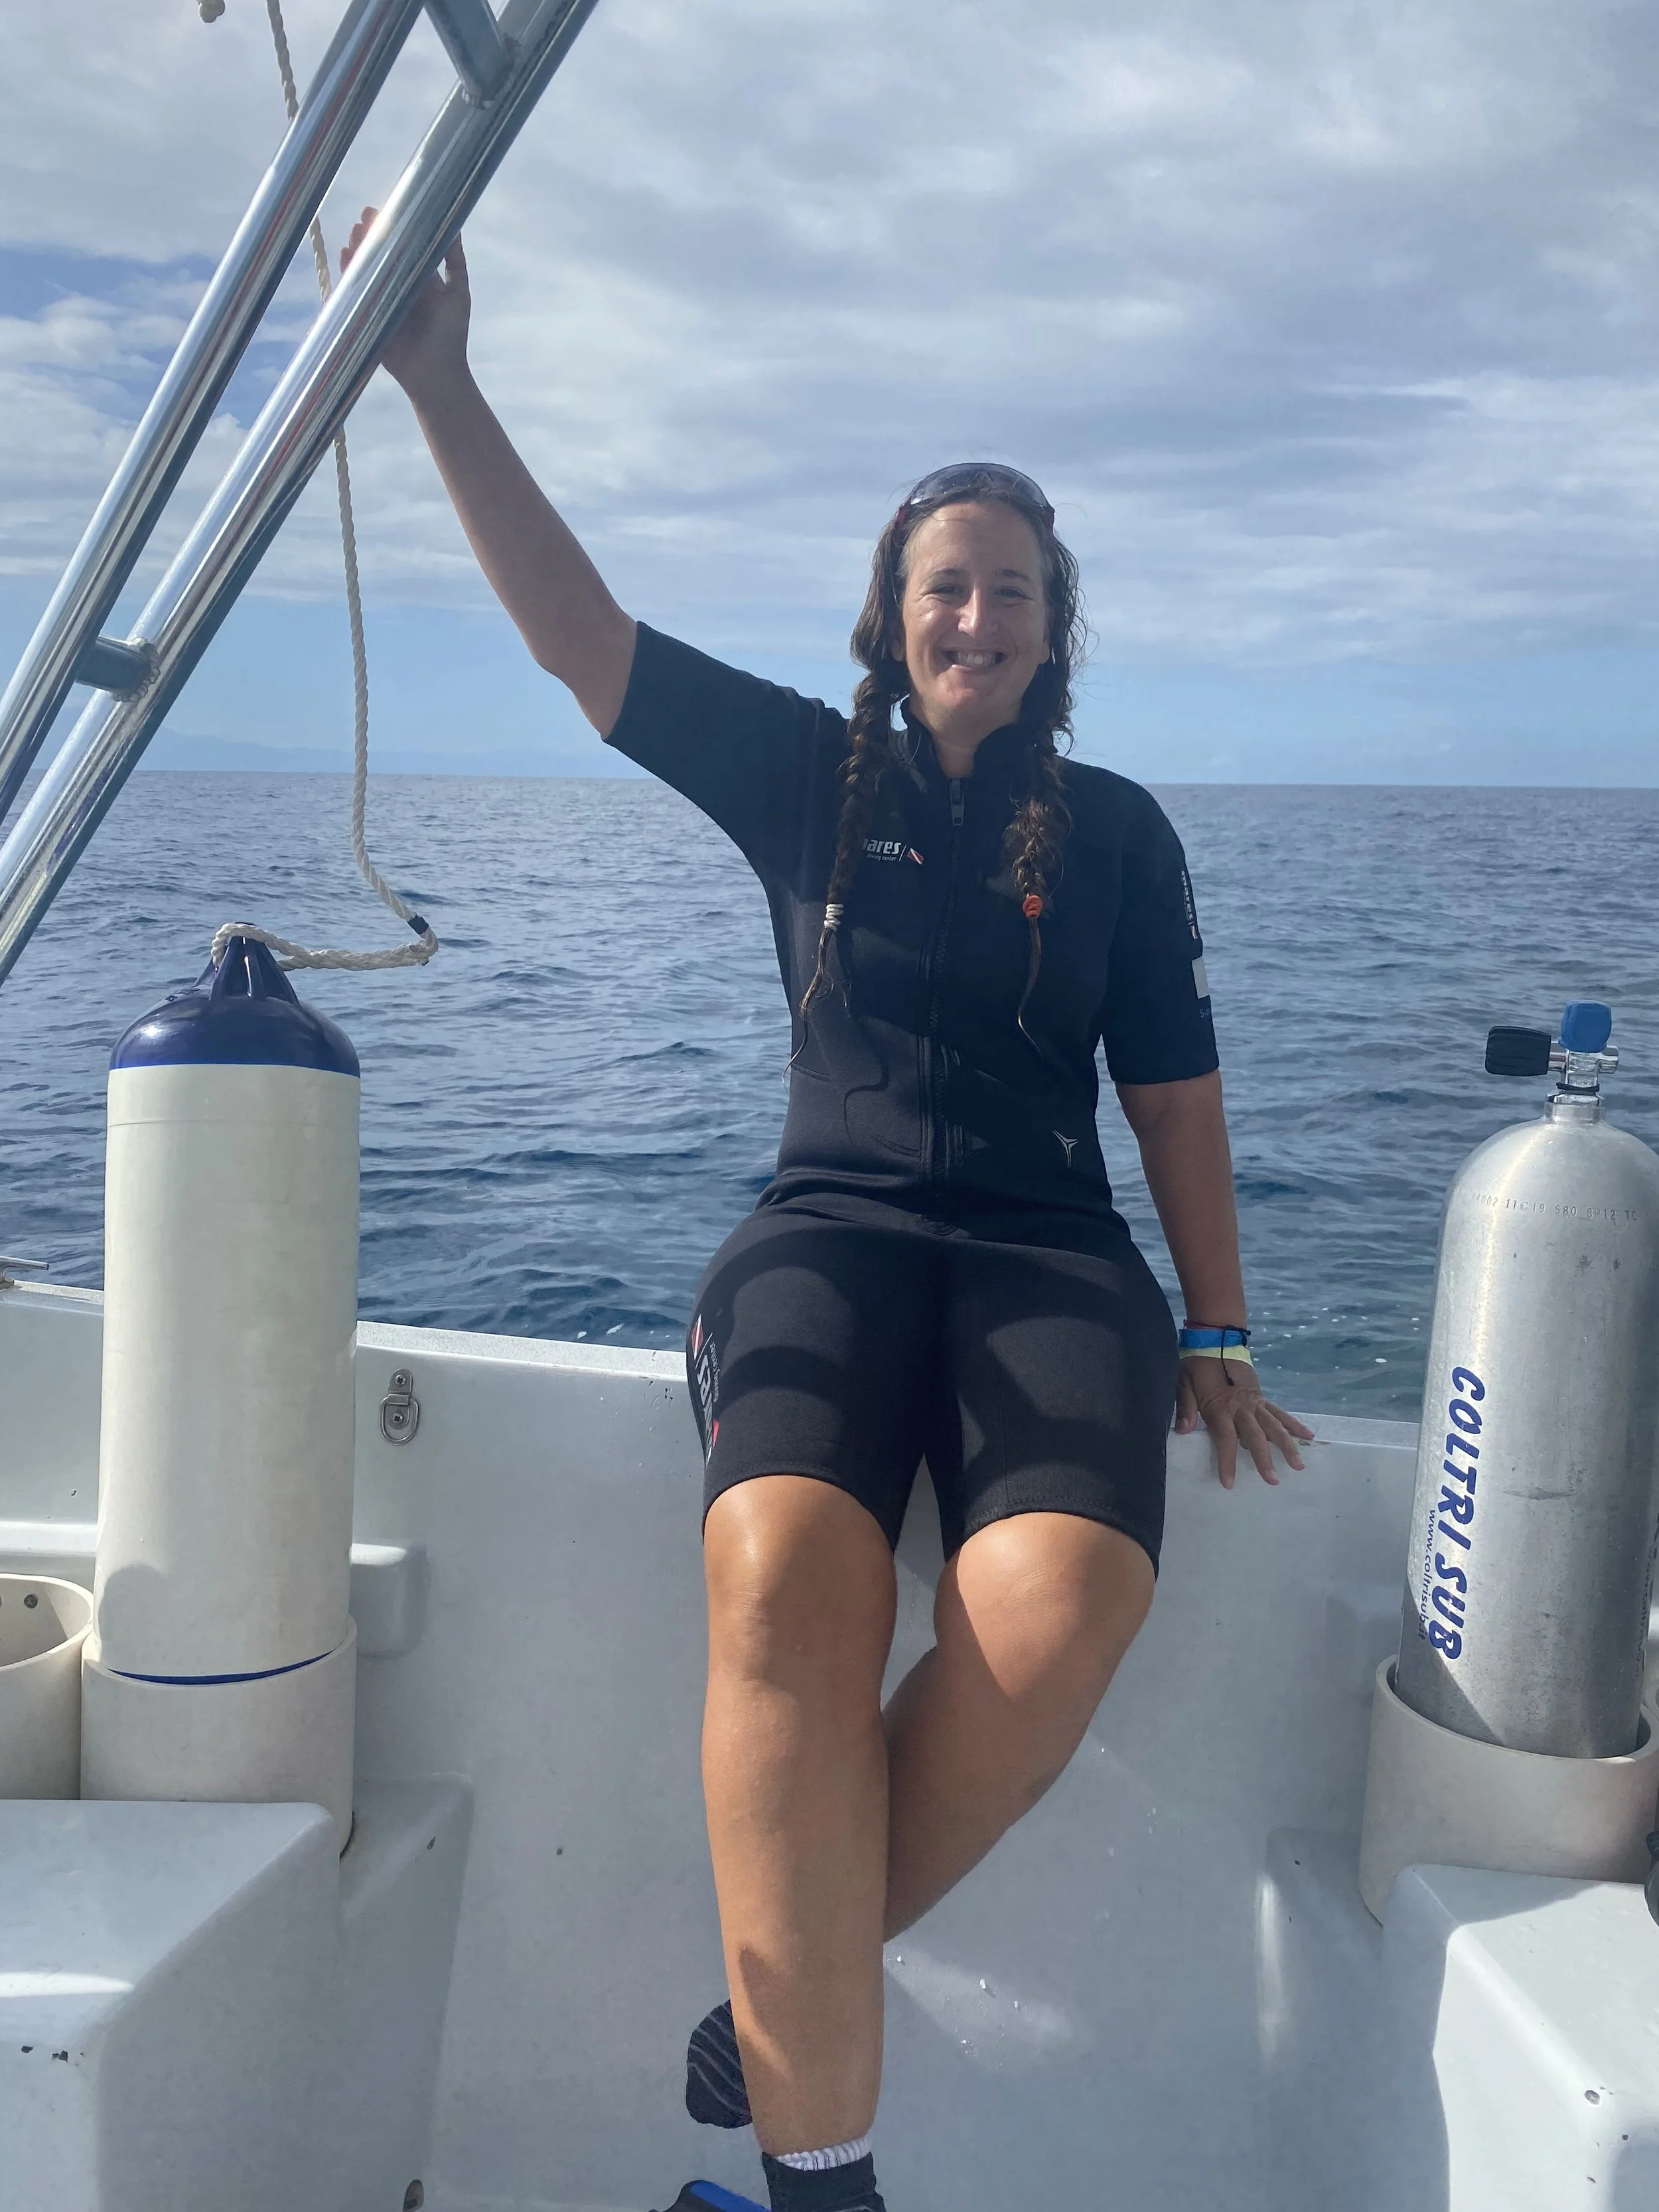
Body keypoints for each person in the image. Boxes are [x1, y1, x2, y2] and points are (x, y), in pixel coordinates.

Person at [348, 211, 1314, 2212]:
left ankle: (794, 1986)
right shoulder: (806, 772)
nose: (979, 614)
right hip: (829, 1229)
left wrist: (1215, 1324)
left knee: (1065, 1609)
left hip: (1051, 1255)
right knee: (788, 1576)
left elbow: (1175, 1090)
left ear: (1055, 624)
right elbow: (573, 636)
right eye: (946, 584)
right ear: (890, 610)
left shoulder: (1122, 832)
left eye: (1015, 590)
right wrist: (440, 380)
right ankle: (814, 2167)